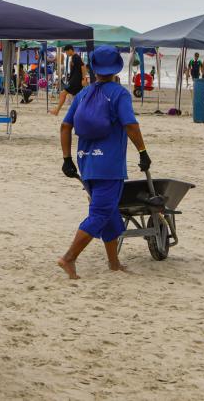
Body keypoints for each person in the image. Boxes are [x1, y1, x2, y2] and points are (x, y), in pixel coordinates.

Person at [57, 46, 150, 279]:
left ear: (93, 68)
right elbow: (131, 125)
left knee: (110, 214)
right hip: (109, 165)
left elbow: (65, 126)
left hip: (86, 164)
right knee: (100, 213)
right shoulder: (119, 94)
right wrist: (143, 151)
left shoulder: (82, 95)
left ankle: (114, 263)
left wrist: (67, 159)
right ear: (116, 68)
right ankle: (68, 258)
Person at [50, 45, 86, 115]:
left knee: (63, 93)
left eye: (66, 52)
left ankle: (57, 110)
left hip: (75, 81)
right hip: (74, 80)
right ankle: (79, 112)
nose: (66, 53)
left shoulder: (76, 57)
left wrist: (84, 78)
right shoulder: (73, 57)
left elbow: (83, 66)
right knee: (75, 97)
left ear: (70, 50)